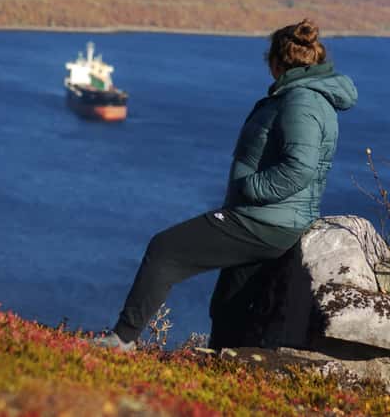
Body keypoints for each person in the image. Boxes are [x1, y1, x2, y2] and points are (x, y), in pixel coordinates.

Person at [93, 19, 358, 351]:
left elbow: (298, 169)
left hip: (263, 221)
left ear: (276, 62)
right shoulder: (305, 96)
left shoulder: (301, 101)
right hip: (275, 220)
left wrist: (250, 188)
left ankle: (122, 340)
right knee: (229, 302)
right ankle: (224, 363)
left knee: (166, 251)